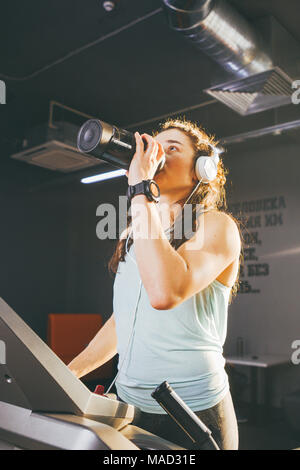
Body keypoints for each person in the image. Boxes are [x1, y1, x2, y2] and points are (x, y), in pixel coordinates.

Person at [68, 118, 241, 450]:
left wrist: (139, 189)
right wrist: (67, 375)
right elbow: (124, 323)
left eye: (172, 148)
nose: (157, 153)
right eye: (154, 147)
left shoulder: (217, 226)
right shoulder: (134, 236)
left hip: (193, 413)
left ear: (201, 170)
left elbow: (165, 293)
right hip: (130, 406)